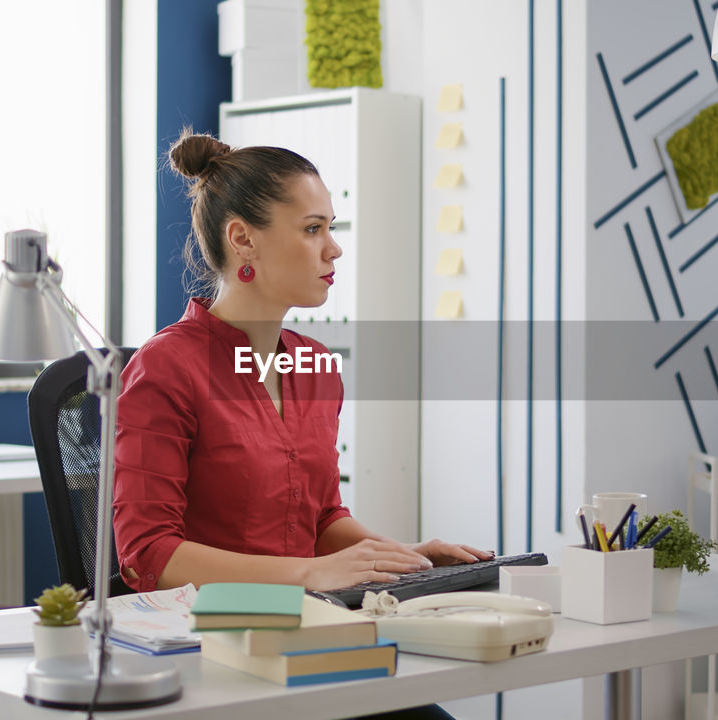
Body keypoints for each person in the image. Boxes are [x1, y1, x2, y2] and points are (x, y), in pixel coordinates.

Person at [113, 128, 493, 599]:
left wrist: (405, 557)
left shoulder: (316, 365)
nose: (333, 248)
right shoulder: (166, 367)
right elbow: (149, 554)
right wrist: (310, 574)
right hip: (205, 635)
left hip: (306, 616)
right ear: (242, 239)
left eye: (330, 228)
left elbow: (320, 518)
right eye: (313, 229)